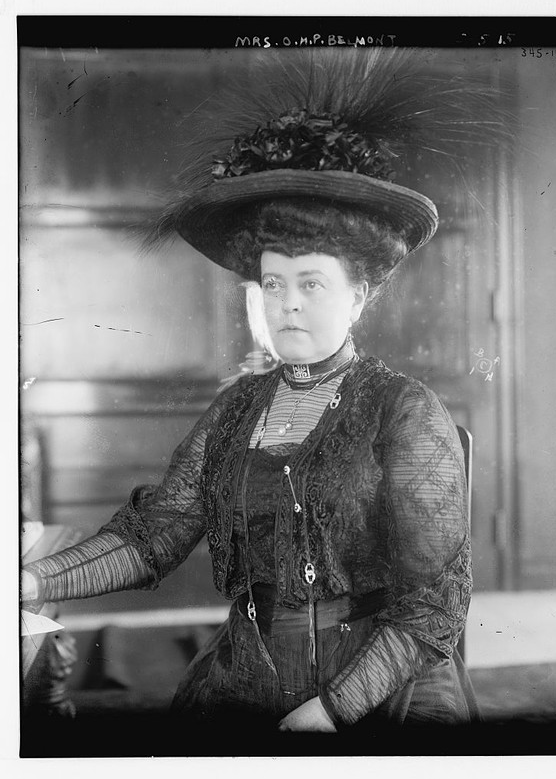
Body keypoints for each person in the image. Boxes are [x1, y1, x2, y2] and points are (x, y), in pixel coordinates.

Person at [21, 50, 488, 746]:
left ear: (358, 296)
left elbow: (431, 607)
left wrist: (331, 710)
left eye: (312, 284)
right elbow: (154, 538)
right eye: (273, 285)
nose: (289, 305)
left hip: (382, 678)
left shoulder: (405, 410)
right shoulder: (238, 407)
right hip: (249, 665)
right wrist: (26, 580)